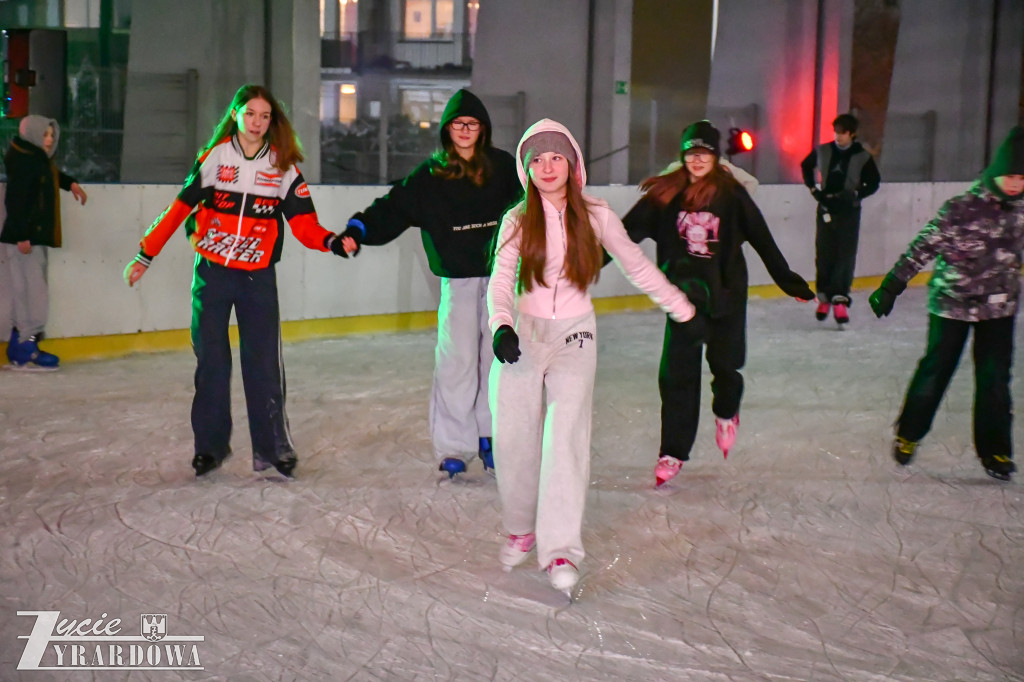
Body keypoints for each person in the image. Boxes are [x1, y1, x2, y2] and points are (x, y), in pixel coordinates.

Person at [488, 119, 695, 594]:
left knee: (566, 438)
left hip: (575, 335)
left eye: (555, 157)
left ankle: (560, 548)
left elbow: (637, 265)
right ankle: (522, 527)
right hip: (522, 332)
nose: (546, 166)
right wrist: (501, 325)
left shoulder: (597, 214)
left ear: (572, 163)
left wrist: (682, 308)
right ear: (526, 168)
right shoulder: (518, 219)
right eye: (536, 159)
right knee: (515, 438)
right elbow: (500, 278)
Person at [122, 84, 354, 479]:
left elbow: (303, 223)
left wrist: (330, 241)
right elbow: (179, 208)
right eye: (250, 114)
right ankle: (209, 449)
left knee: (262, 364)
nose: (257, 123)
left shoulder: (282, 166)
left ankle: (273, 449)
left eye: (264, 116)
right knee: (211, 363)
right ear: (235, 115)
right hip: (212, 274)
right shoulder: (214, 158)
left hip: (257, 279)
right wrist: (146, 253)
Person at [337, 89, 522, 478]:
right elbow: (393, 207)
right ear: (447, 130)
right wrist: (359, 228)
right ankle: (456, 444)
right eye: (458, 124)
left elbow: (530, 209)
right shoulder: (432, 176)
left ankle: (492, 437)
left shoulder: (504, 168)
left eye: (472, 124)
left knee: (495, 362)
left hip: (500, 280)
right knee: (455, 363)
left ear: (483, 129)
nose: (465, 130)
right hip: (456, 282)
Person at [621, 120, 815, 487]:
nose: (697, 160)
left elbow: (762, 239)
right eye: (691, 154)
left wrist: (788, 281)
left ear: (715, 157)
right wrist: (584, 268)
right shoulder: (665, 196)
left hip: (725, 297)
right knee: (676, 377)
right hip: (683, 301)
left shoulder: (732, 195)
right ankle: (673, 451)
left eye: (704, 154)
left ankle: (727, 413)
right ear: (682, 157)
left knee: (725, 368)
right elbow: (622, 235)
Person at [868, 125, 1024, 482]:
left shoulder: (1020, 209)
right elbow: (923, 246)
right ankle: (908, 433)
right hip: (952, 304)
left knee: (995, 380)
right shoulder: (962, 208)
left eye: (1022, 178)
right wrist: (892, 285)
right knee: (936, 370)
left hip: (999, 307)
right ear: (996, 173)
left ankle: (996, 450)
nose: (1016, 185)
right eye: (1010, 177)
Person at [1, 115, 88, 370]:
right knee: (31, 291)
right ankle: (26, 347)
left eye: (52, 135)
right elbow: (15, 199)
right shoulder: (25, 160)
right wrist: (21, 234)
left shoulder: (33, 157)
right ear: (33, 134)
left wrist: (69, 183)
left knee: (28, 288)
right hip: (25, 237)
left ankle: (21, 346)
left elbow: (49, 175)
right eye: (45, 134)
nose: (49, 140)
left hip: (30, 235)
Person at [801, 113, 880, 325]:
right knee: (825, 252)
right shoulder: (823, 150)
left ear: (851, 134)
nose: (838, 136)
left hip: (848, 210)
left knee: (844, 254)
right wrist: (813, 190)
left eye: (842, 132)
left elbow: (874, 182)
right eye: (836, 131)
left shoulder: (862, 155)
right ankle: (825, 297)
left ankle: (840, 300)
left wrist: (856, 194)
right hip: (826, 207)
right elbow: (805, 166)